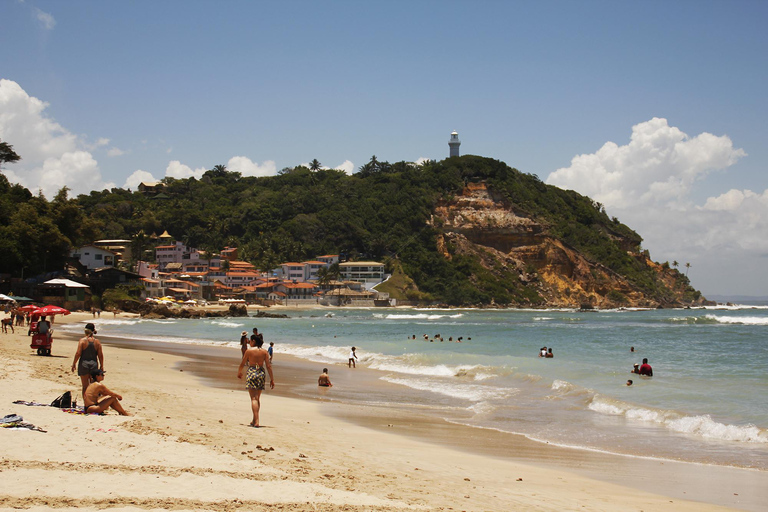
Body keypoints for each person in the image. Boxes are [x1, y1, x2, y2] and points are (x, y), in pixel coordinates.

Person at [237, 336, 274, 427]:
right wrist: (272, 379)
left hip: (252, 372)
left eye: (250, 340)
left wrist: (239, 372)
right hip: (261, 373)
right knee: (257, 398)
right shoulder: (265, 352)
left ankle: (256, 421)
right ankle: (254, 420)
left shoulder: (249, 351)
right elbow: (268, 366)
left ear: (254, 341)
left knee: (253, 398)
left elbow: (242, 363)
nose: (249, 341)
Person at [72, 323, 104, 401]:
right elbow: (100, 355)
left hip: (83, 364)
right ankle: (94, 402)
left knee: (85, 386)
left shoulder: (82, 341)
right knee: (93, 386)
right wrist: (102, 365)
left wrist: (74, 363)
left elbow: (78, 353)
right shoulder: (97, 342)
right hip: (94, 365)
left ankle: (86, 403)